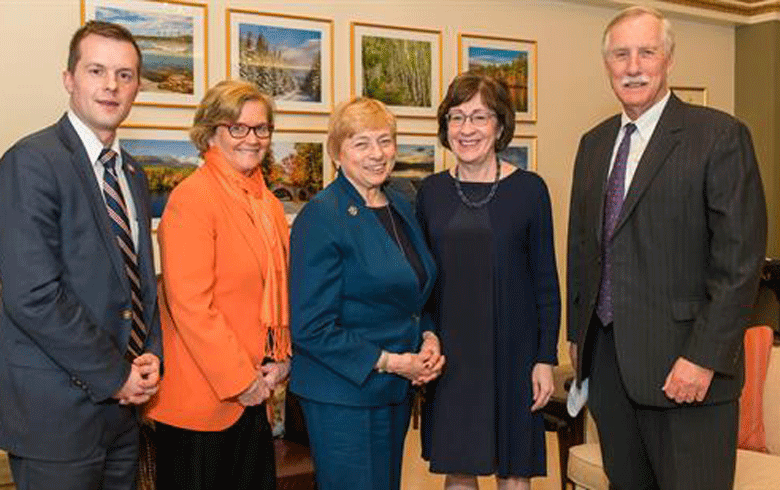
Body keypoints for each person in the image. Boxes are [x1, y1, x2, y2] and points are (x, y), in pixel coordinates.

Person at [567, 6, 767, 490]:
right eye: (620, 54)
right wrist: (579, 339)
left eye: (646, 52)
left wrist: (703, 357)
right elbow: (582, 248)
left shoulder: (718, 136)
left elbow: (739, 263)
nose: (633, 66)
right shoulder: (594, 144)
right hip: (611, 367)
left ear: (669, 60)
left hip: (688, 369)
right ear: (607, 64)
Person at [0, 20, 162, 490]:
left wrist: (151, 355)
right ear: (69, 79)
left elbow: (140, 283)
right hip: (57, 417)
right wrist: (116, 375)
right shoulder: (30, 162)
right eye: (96, 71)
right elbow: (33, 295)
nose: (111, 86)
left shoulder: (130, 172)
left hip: (122, 413)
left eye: (125, 75)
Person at [289, 97, 444, 490]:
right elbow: (311, 327)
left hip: (394, 391)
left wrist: (428, 335)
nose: (377, 154)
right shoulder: (322, 216)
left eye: (385, 141)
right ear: (337, 154)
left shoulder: (400, 205)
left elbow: (413, 290)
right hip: (344, 395)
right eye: (361, 143)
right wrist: (393, 362)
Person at [417, 72, 561, 490]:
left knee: (514, 469)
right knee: (459, 466)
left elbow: (545, 284)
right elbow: (422, 282)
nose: (467, 129)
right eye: (457, 117)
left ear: (500, 125)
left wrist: (544, 358)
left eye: (479, 117)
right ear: (445, 127)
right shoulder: (430, 193)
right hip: (453, 354)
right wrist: (426, 336)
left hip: (516, 352)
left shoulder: (530, 191)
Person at [145, 80, 290, 490]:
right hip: (205, 399)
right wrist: (240, 381)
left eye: (261, 129)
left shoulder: (269, 205)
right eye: (237, 127)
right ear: (210, 133)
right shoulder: (193, 198)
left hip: (256, 394)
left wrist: (281, 356)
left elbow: (277, 293)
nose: (252, 138)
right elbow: (190, 304)